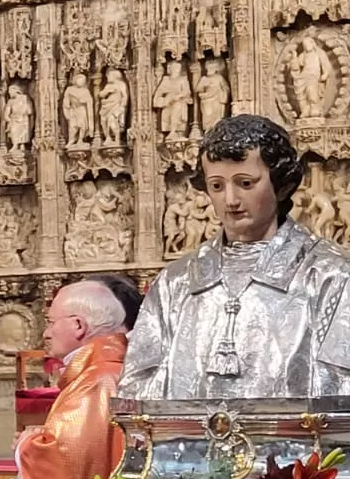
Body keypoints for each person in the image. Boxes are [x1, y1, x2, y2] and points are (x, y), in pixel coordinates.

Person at [121, 114, 350, 398]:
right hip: (188, 441)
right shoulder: (176, 282)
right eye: (217, 186)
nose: (230, 200)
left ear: (282, 185)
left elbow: (340, 390)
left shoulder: (331, 275)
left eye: (245, 183)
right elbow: (138, 389)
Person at [14, 281, 130, 479]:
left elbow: (68, 458)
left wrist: (27, 445)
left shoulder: (97, 380)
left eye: (51, 321)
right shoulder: (103, 371)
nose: (46, 332)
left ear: (79, 325)